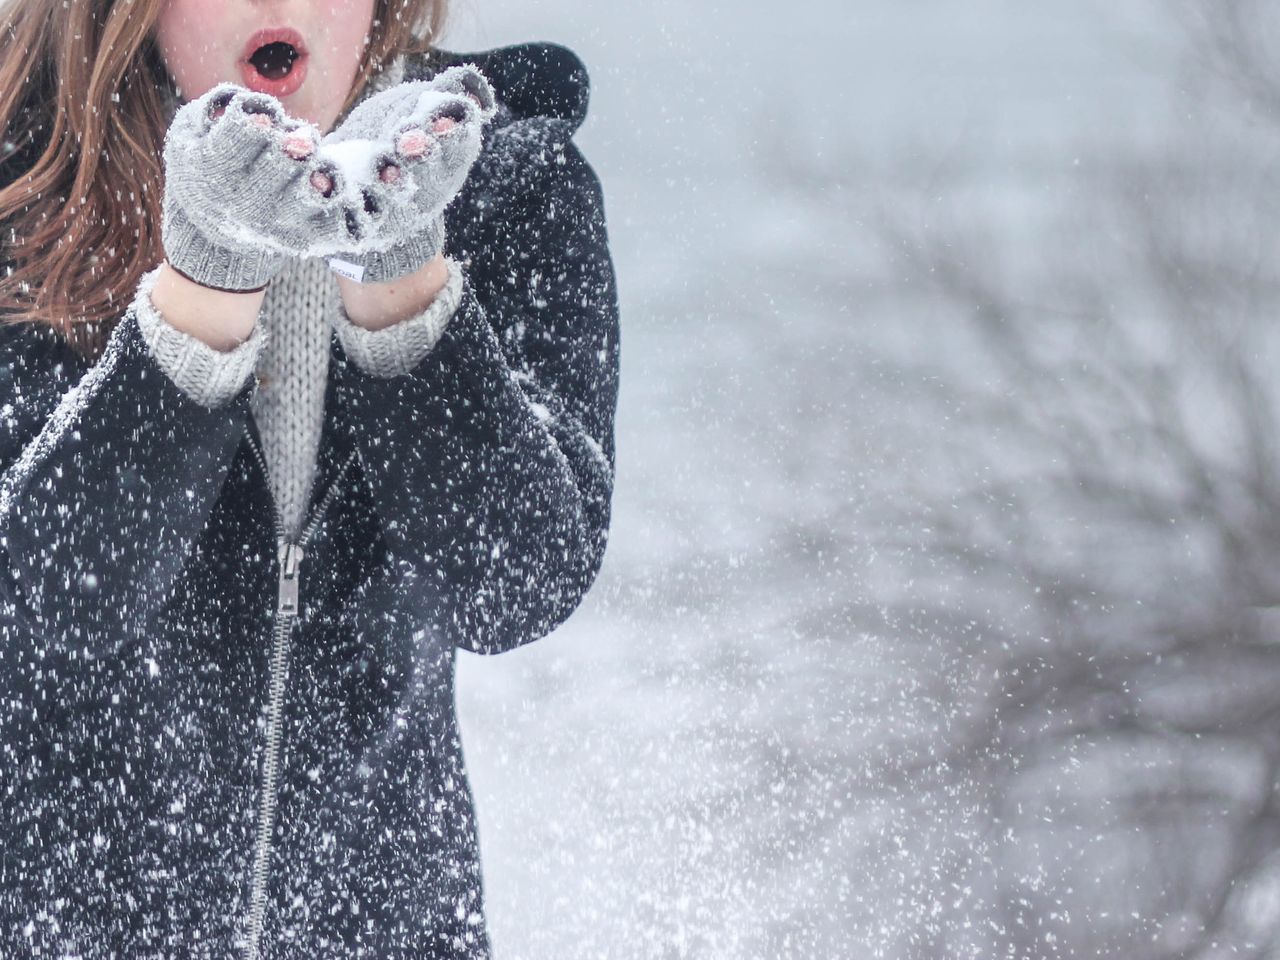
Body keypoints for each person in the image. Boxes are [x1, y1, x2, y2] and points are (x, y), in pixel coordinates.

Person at [0, 0, 620, 955]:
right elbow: (46, 601)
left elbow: (516, 586)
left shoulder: (507, 187)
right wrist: (206, 283)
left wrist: (402, 278)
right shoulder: (24, 190)